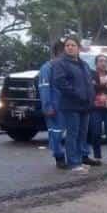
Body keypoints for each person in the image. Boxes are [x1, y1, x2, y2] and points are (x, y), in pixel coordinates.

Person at [52, 35, 95, 173]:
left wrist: (90, 97)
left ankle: (79, 160)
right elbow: (60, 82)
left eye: (73, 45)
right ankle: (73, 163)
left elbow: (89, 82)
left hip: (85, 105)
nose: (70, 47)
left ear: (78, 48)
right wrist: (78, 94)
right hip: (71, 104)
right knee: (72, 134)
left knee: (82, 134)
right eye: (67, 45)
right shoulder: (61, 63)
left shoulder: (84, 64)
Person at [39, 39, 66, 168]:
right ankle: (59, 157)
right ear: (60, 52)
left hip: (67, 106)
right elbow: (44, 88)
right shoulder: (47, 67)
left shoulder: (66, 67)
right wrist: (47, 106)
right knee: (55, 132)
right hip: (54, 107)